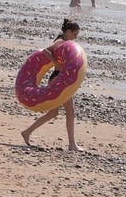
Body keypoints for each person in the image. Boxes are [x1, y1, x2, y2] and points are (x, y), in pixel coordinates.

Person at [20, 19, 84, 152]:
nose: (76, 37)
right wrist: (56, 63)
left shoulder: (64, 42)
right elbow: (45, 51)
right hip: (58, 80)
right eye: (75, 34)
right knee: (70, 111)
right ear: (68, 32)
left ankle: (27, 132)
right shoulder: (60, 41)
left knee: (53, 113)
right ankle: (72, 144)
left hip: (58, 79)